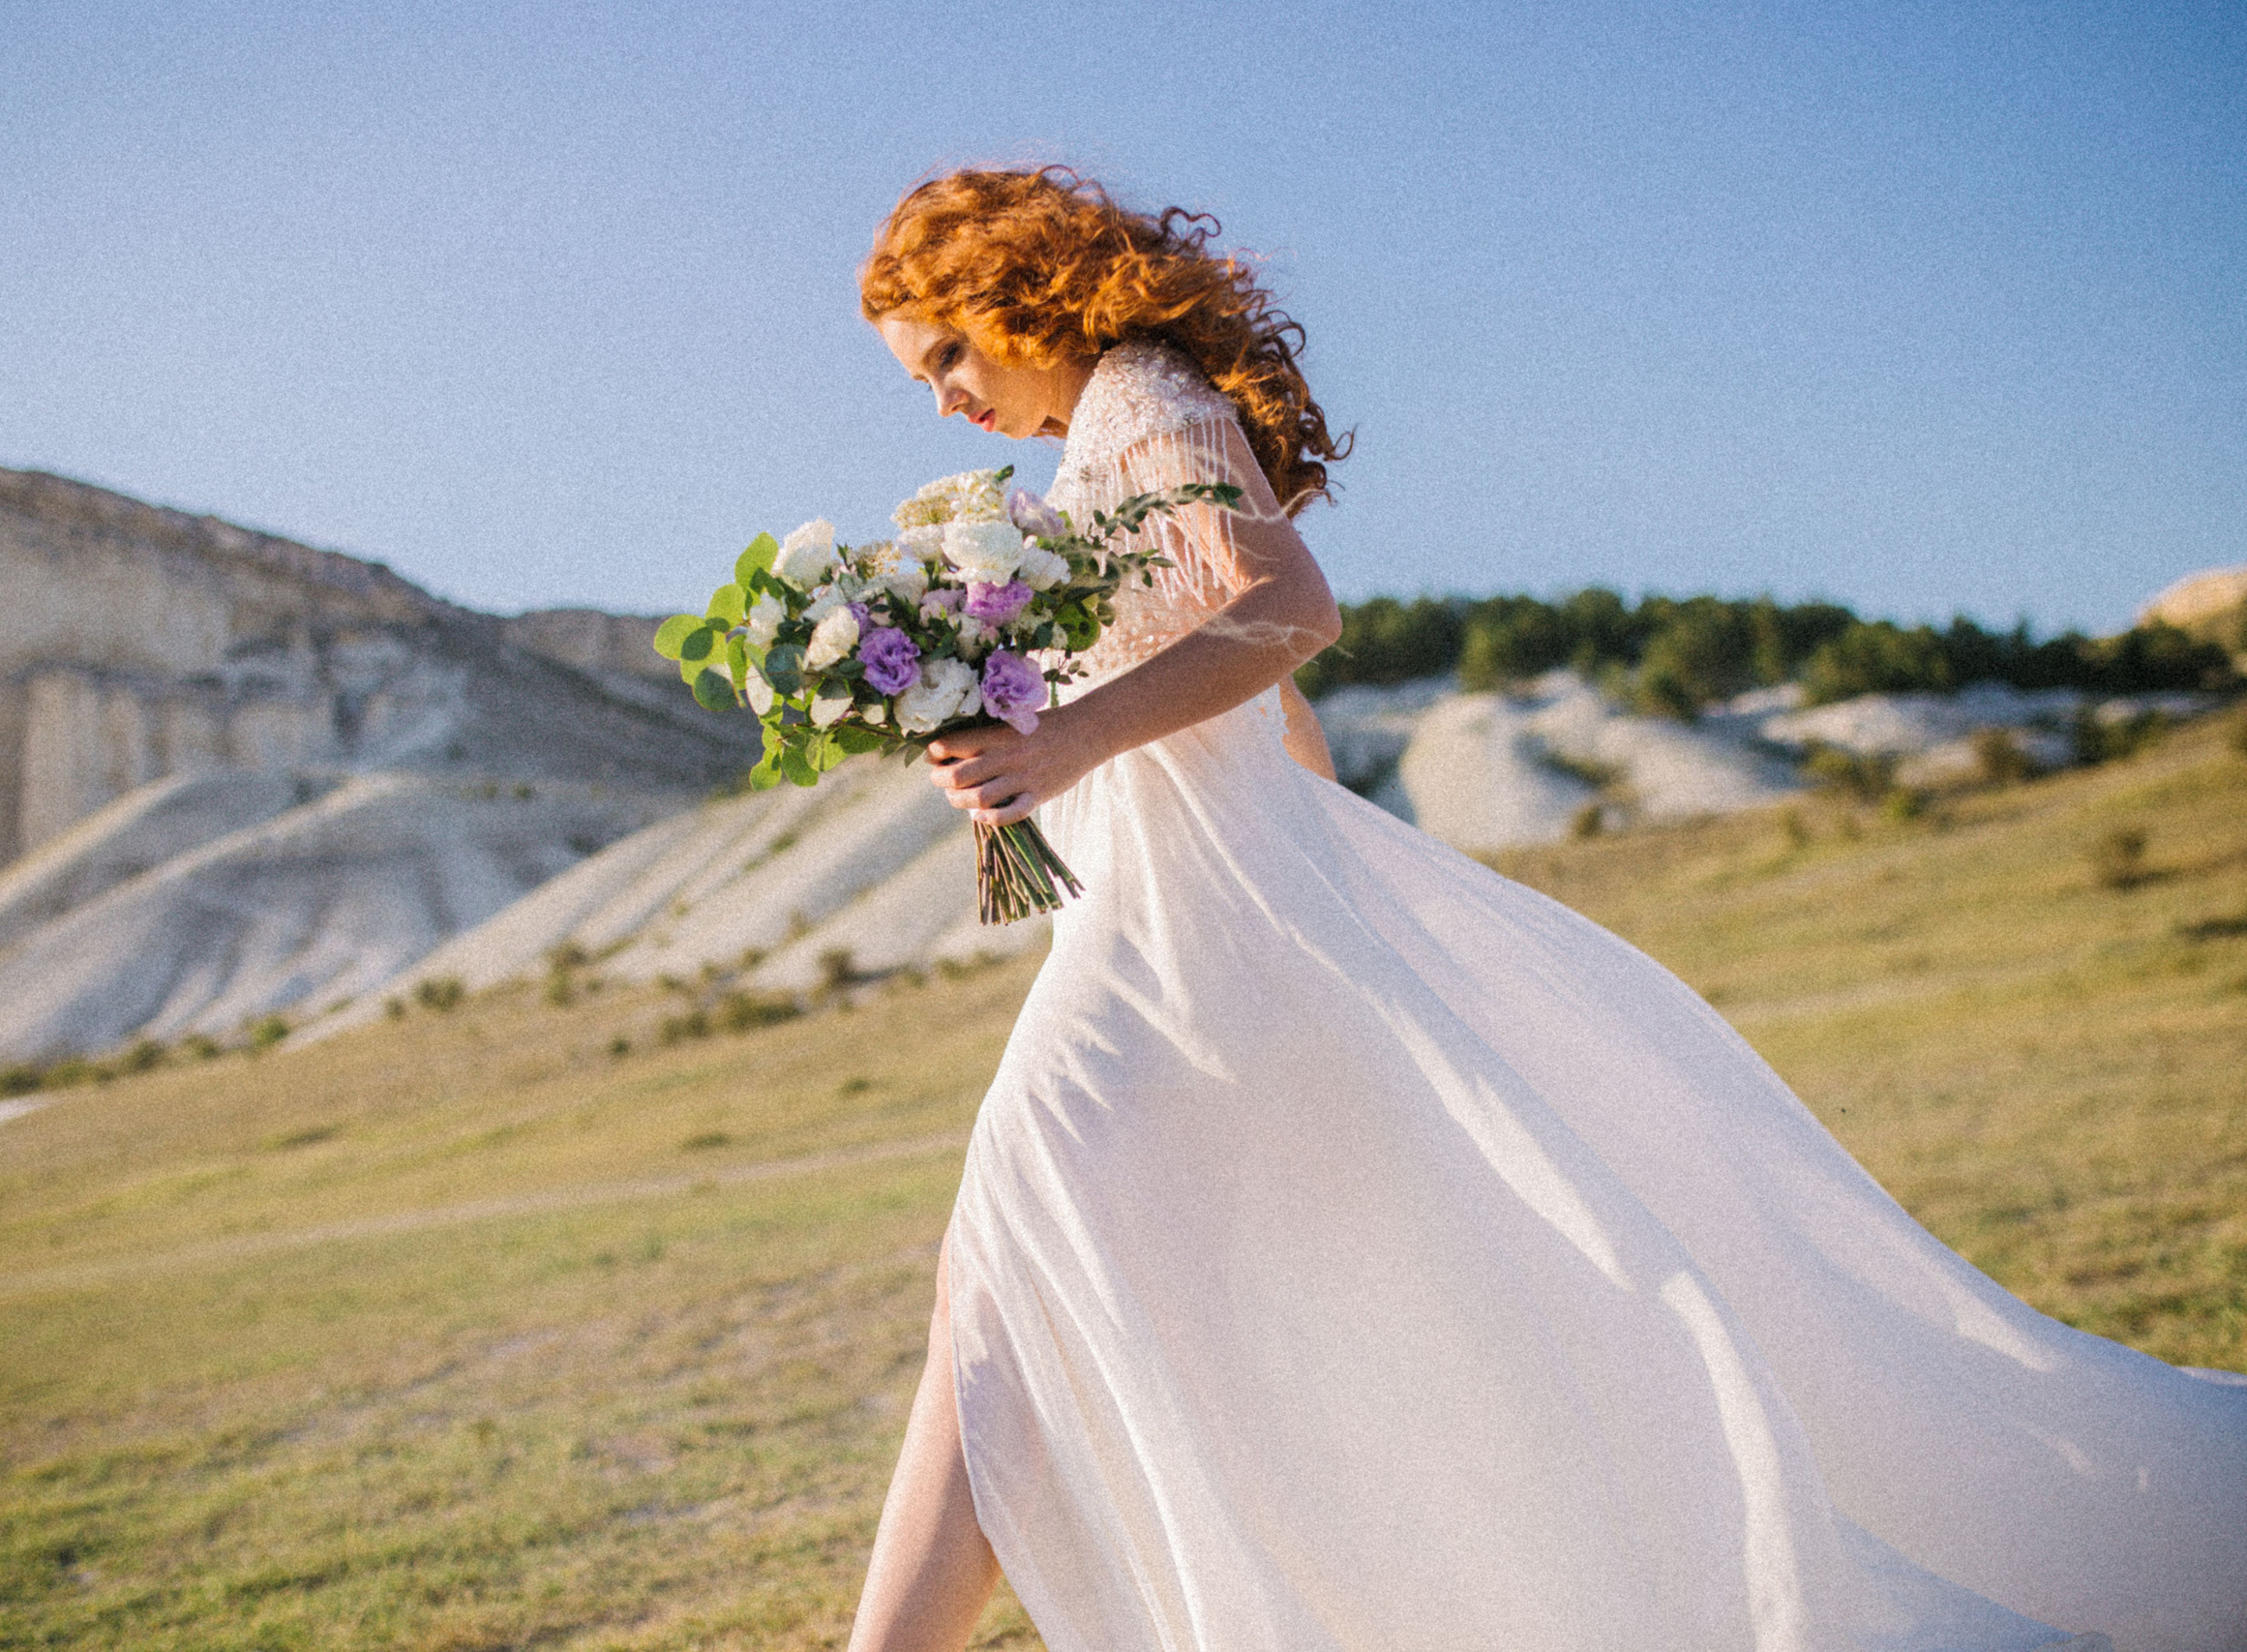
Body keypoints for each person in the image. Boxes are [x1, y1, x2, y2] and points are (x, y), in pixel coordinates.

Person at [844, 165, 2246, 1652]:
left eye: (945, 354)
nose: (942, 399)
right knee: (1003, 1304)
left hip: (1174, 951)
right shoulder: (1114, 432)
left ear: (1012, 286)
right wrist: (1262, 853)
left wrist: (1068, 741)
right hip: (1187, 930)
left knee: (1004, 1297)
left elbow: (1290, 606)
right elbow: (1275, 702)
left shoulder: (1138, 394)